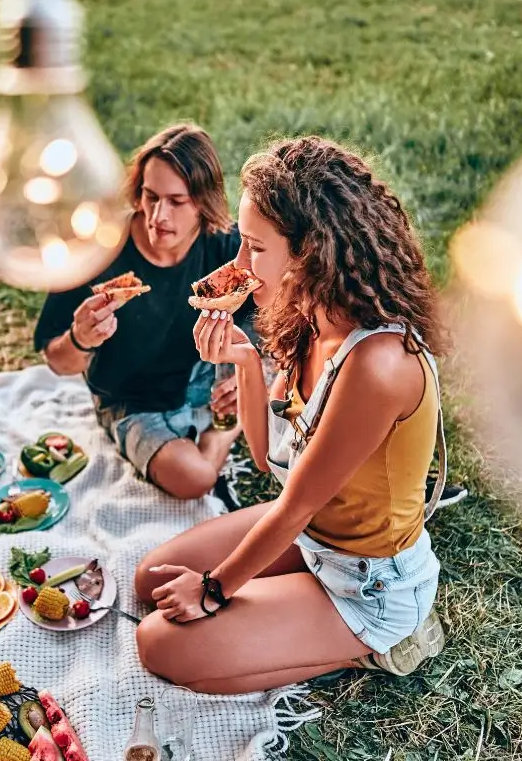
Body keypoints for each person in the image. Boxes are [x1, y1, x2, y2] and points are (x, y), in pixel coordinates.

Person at [134, 136, 447, 693]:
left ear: (310, 253)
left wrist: (212, 590)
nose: (239, 265)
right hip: (309, 538)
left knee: (159, 641)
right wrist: (242, 362)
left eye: (254, 248)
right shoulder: (308, 316)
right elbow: (268, 459)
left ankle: (383, 643)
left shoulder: (378, 363)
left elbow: (297, 504)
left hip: (367, 582)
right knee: (149, 581)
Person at [33, 123, 252, 500]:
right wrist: (80, 338)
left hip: (204, 380)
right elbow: (57, 361)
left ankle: (232, 417)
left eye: (176, 201)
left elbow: (270, 319)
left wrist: (248, 373)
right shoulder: (97, 247)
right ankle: (226, 432)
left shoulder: (225, 247)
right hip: (131, 399)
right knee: (195, 479)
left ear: (203, 201)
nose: (158, 216)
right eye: (150, 197)